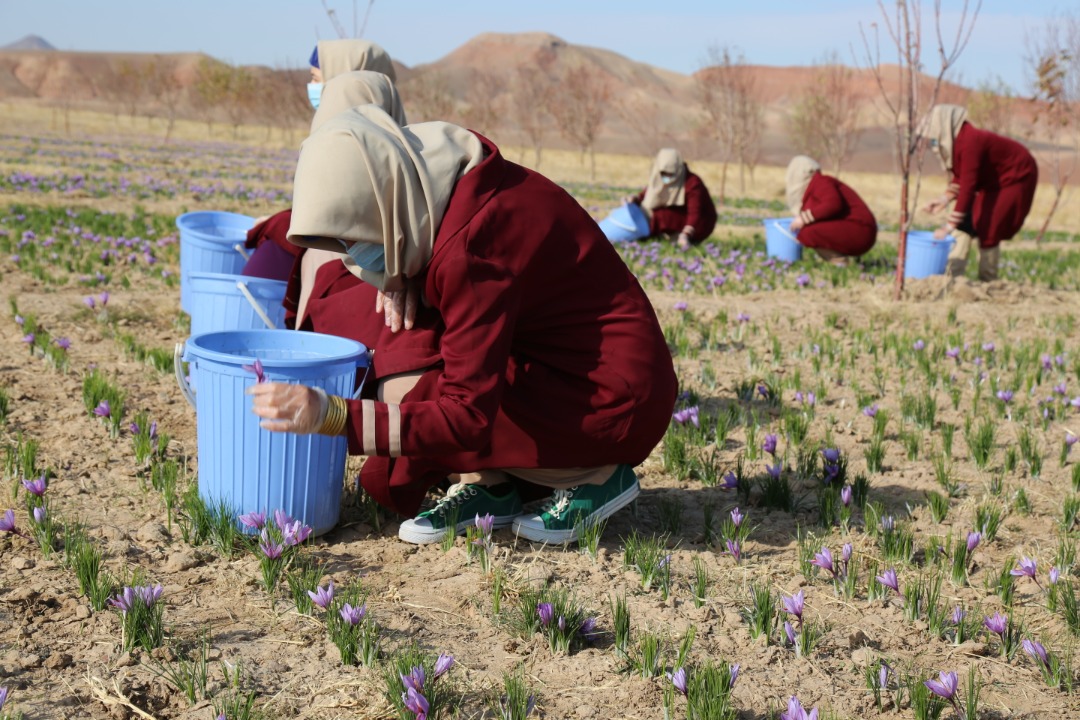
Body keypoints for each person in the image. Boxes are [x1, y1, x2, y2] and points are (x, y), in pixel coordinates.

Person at [248, 106, 678, 546]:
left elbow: (468, 416)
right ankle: (490, 485)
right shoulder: (440, 190)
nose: (352, 254)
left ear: (384, 205)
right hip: (569, 365)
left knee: (409, 392)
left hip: (614, 399)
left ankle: (597, 472)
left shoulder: (471, 249)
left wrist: (333, 416)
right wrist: (404, 272)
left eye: (356, 237)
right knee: (409, 367)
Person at [241, 39, 399, 282]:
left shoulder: (351, 137)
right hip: (345, 248)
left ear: (343, 77)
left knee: (280, 232)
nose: (312, 86)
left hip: (354, 259)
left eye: (316, 78)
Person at [920, 104, 1038, 281]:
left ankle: (988, 281)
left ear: (942, 127)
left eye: (933, 138)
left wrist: (948, 227)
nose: (933, 144)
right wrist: (943, 200)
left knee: (989, 224)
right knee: (966, 221)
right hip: (992, 182)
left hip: (1016, 176)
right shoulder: (958, 141)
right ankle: (952, 278)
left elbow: (968, 187)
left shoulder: (970, 141)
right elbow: (963, 177)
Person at [785, 156, 877, 263]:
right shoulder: (814, 186)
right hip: (858, 229)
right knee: (808, 230)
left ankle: (839, 262)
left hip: (861, 229)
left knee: (808, 233)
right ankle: (838, 262)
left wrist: (803, 219)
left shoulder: (820, 182)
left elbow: (833, 204)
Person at [623, 148, 717, 249]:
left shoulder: (692, 183)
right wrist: (635, 199)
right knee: (645, 210)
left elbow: (695, 213)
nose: (667, 177)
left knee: (660, 216)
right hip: (678, 216)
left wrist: (686, 234)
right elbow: (649, 193)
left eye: (671, 174)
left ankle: (645, 234)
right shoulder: (658, 176)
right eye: (664, 173)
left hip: (700, 223)